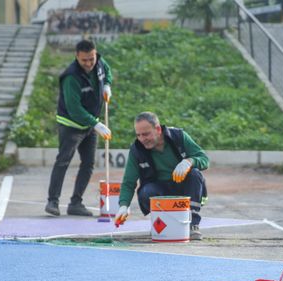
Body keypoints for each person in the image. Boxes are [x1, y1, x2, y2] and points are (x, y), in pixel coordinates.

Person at [114, 112, 209, 241]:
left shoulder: (179, 136)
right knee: (147, 191)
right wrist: (124, 206)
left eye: (146, 134)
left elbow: (204, 159)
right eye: (138, 135)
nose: (142, 139)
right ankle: (162, 223)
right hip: (158, 191)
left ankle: (192, 225)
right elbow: (128, 182)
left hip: (183, 190)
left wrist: (189, 162)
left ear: (158, 129)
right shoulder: (137, 149)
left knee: (195, 174)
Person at [45, 39, 113, 217]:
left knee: (88, 163)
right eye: (85, 60)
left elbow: (106, 71)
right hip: (71, 125)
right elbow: (74, 109)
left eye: (91, 58)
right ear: (77, 57)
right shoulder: (71, 77)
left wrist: (107, 84)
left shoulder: (98, 61)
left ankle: (76, 203)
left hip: (91, 124)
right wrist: (96, 124)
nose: (89, 63)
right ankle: (53, 201)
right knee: (63, 161)